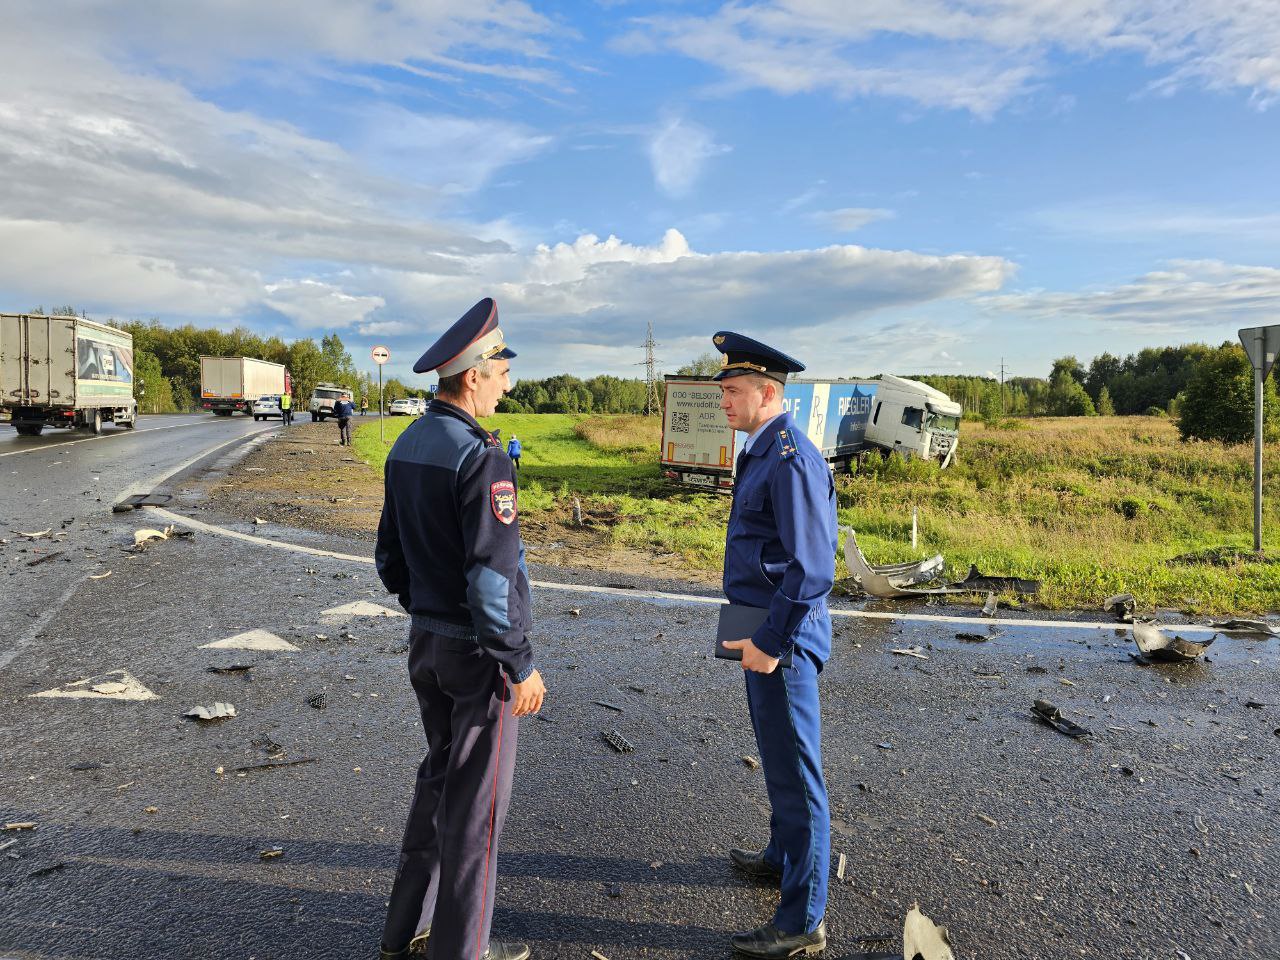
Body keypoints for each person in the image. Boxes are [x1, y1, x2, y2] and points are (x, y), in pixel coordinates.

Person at [375, 297, 544, 960]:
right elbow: (492, 582)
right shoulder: (482, 457)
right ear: (473, 376)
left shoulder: (408, 444)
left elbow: (389, 558)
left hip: (427, 644)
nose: (507, 385)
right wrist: (519, 663)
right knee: (477, 814)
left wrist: (428, 610)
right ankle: (462, 951)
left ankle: (403, 933)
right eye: (501, 373)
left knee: (438, 786)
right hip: (478, 659)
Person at [712, 331, 837, 959]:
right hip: (759, 626)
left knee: (796, 775)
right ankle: (781, 855)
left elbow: (812, 569)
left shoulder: (789, 459)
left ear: (768, 393)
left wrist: (770, 641)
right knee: (777, 755)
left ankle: (801, 920)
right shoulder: (761, 449)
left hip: (779, 637)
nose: (724, 401)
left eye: (734, 391)